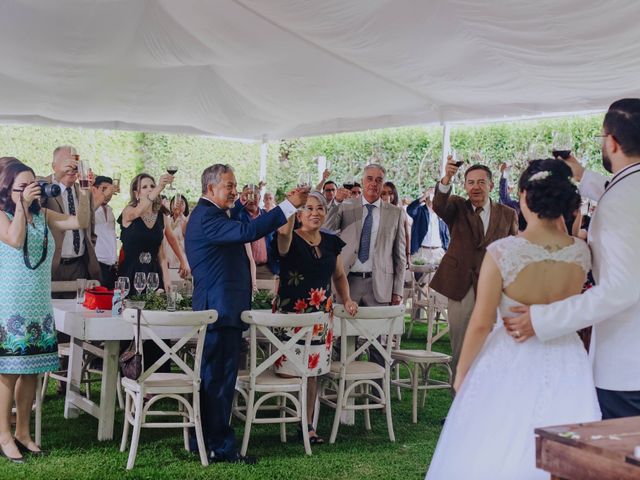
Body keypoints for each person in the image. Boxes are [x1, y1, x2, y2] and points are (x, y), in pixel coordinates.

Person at [425, 159, 601, 479]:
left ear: (523, 197)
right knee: (563, 446)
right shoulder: (582, 252)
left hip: (511, 354)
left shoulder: (504, 251)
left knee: (496, 441)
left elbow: (480, 323)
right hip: (568, 360)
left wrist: (462, 374)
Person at [505, 98, 640, 419]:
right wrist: (582, 174)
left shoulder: (620, 201)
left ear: (612, 142)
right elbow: (618, 188)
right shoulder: (625, 190)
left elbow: (621, 288)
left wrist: (542, 320)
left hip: (627, 365)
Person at [185, 164, 308, 464]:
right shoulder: (206, 218)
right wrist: (289, 205)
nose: (235, 190)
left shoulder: (216, 213)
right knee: (218, 380)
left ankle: (202, 441)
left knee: (217, 379)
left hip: (223, 309)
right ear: (210, 187)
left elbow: (244, 222)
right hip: (218, 310)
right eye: (229, 186)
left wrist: (241, 204)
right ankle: (218, 447)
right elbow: (249, 231)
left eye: (236, 185)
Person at [0, 156, 91, 462]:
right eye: (23, 186)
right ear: (7, 188)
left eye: (33, 185)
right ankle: (3, 435)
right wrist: (23, 208)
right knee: (8, 374)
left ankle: (23, 432)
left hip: (38, 302)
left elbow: (80, 222)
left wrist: (84, 191)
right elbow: (14, 239)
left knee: (32, 373)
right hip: (10, 304)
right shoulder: (1, 214)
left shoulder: (45, 214)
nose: (31, 191)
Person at [272, 191, 358, 444]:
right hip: (291, 315)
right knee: (291, 371)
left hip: (321, 316)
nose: (314, 213)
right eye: (308, 208)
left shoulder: (332, 242)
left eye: (319, 208)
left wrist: (348, 299)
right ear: (298, 214)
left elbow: (340, 276)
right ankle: (290, 416)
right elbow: (284, 237)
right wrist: (289, 207)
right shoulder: (289, 237)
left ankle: (307, 424)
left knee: (313, 372)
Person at [430, 161, 518, 382]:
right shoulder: (456, 207)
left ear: (490, 184)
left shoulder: (507, 214)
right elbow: (439, 204)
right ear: (465, 186)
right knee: (462, 349)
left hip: (496, 289)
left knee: (493, 347)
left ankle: (486, 407)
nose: (475, 187)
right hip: (462, 287)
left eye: (481, 182)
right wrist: (446, 179)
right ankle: (458, 409)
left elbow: (512, 251)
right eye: (470, 183)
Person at [325, 164, 406, 308]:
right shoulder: (346, 206)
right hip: (347, 283)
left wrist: (398, 290)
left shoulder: (396, 213)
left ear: (383, 184)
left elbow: (399, 256)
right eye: (369, 179)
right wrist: (336, 202)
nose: (373, 183)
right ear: (362, 181)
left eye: (378, 180)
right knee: (343, 330)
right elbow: (326, 229)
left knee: (378, 330)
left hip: (380, 286)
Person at [43, 146, 100, 293]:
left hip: (79, 265)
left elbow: (90, 225)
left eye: (75, 163)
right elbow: (36, 205)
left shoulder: (83, 190)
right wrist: (59, 176)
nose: (72, 167)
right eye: (66, 162)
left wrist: (89, 246)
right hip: (52, 265)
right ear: (54, 166)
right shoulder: (44, 186)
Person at [238, 184, 279, 279]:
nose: (251, 200)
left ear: (260, 198)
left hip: (267, 268)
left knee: (269, 294)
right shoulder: (238, 217)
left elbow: (275, 240)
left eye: (254, 196)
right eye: (248, 196)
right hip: (245, 270)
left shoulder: (267, 216)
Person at [406, 187, 449, 266]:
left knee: (440, 277)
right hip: (422, 251)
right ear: (426, 200)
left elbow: (446, 234)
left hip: (439, 252)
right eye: (432, 196)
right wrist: (423, 196)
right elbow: (410, 210)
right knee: (421, 278)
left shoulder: (443, 214)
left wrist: (447, 250)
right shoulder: (420, 211)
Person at [91, 175, 118, 289]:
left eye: (110, 190)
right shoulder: (90, 208)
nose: (107, 193)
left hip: (112, 266)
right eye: (104, 189)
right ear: (94, 189)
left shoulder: (110, 210)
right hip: (97, 264)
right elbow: (86, 215)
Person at [163, 193, 190, 280]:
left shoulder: (186, 221)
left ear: (185, 206)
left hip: (180, 264)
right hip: (166, 263)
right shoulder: (166, 220)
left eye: (181, 203)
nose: (178, 205)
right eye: (175, 202)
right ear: (171, 205)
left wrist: (181, 215)